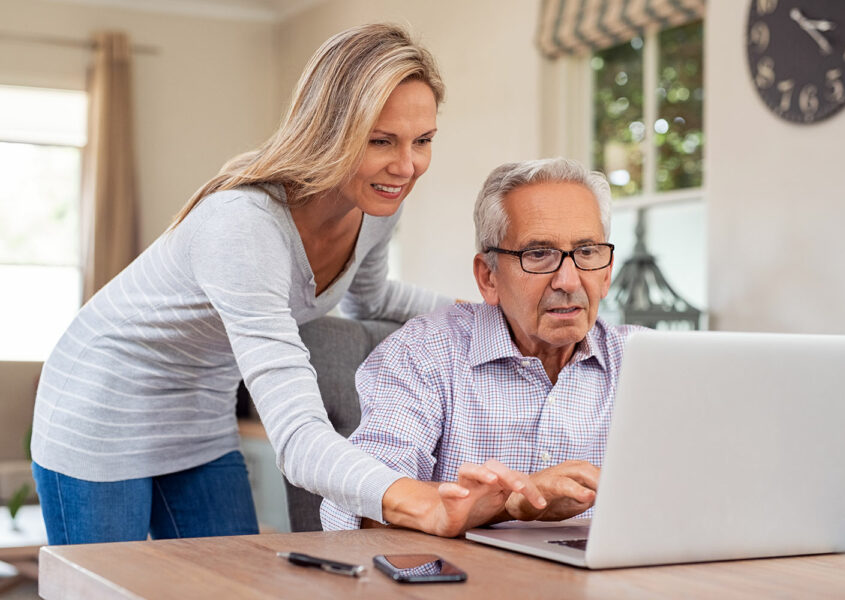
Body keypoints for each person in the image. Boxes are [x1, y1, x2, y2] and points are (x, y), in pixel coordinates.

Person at [30, 23, 545, 545]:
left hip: (200, 413)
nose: (407, 166)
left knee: (228, 585)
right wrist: (418, 499)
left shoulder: (377, 208)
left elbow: (375, 297)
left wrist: (496, 312)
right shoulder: (243, 225)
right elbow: (299, 438)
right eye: (381, 140)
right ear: (330, 130)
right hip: (101, 403)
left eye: (424, 140)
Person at [321, 157, 645, 531]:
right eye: (538, 254)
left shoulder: (646, 362)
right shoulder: (422, 353)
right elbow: (359, 510)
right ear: (488, 277)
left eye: (587, 252)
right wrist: (507, 505)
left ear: (607, 273)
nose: (569, 281)